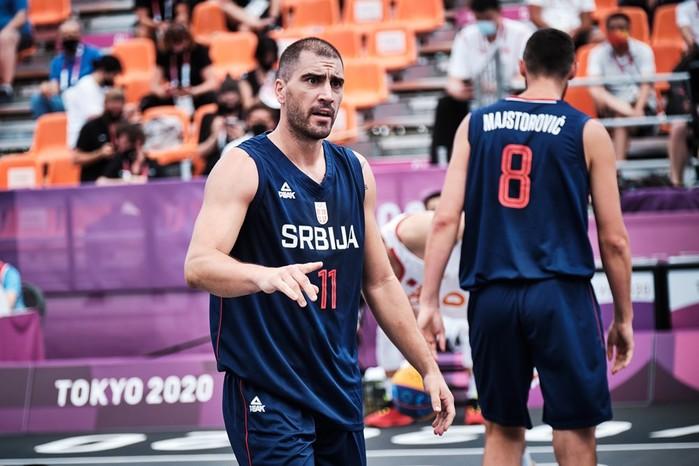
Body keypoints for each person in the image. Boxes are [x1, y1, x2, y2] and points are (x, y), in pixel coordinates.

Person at [184, 37, 455, 465]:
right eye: (312, 80)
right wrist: (263, 276)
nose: (327, 93)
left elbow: (380, 281)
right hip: (269, 386)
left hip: (338, 385)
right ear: (279, 90)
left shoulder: (355, 170)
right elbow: (199, 264)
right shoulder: (244, 165)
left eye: (336, 83)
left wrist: (428, 367)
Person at [418, 29, 634, 466]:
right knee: (575, 428)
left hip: (492, 298)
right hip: (559, 295)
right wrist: (625, 318)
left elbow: (444, 219)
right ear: (573, 69)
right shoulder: (588, 131)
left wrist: (428, 301)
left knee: (501, 429)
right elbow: (613, 240)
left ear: (522, 67)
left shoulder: (475, 124)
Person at [366, 210, 483, 428]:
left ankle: (479, 400)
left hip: (473, 282)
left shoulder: (407, 234)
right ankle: (396, 401)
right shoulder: (367, 279)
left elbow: (468, 223)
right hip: (439, 305)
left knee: (477, 326)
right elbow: (405, 315)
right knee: (387, 324)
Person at [430, 0, 533, 164]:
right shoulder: (466, 36)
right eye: (479, 18)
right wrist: (458, 90)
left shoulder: (521, 33)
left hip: (511, 94)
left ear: (499, 12)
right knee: (446, 105)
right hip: (476, 96)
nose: (484, 23)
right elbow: (454, 79)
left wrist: (500, 87)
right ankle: (445, 160)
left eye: (488, 17)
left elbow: (527, 74)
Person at [587, 12, 656, 160]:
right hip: (611, 106)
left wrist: (638, 108)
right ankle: (618, 167)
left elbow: (646, 84)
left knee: (621, 119)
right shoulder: (597, 53)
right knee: (598, 91)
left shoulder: (643, 50)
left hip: (642, 106)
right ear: (606, 31)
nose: (617, 32)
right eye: (613, 28)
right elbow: (595, 88)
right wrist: (630, 112)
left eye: (622, 28)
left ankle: (618, 168)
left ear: (629, 29)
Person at [30, 19, 102, 118]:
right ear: (60, 38)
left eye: (72, 34)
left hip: (85, 98)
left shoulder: (93, 54)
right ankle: (46, 126)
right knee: (37, 98)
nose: (69, 38)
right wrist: (47, 89)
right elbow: (55, 86)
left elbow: (100, 78)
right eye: (65, 35)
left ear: (80, 35)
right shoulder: (57, 61)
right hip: (64, 99)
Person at [143, 23, 217, 113]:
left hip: (196, 94)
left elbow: (211, 82)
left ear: (188, 40)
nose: (177, 46)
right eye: (174, 42)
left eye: (180, 41)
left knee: (213, 97)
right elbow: (154, 85)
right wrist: (163, 92)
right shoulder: (163, 53)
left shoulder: (199, 50)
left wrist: (194, 91)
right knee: (148, 101)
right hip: (172, 95)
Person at [63, 55, 123, 148]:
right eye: (113, 75)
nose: (114, 79)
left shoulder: (104, 88)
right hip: (82, 138)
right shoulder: (85, 86)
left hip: (99, 133)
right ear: (103, 71)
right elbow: (92, 115)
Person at [73, 89, 127, 183]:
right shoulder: (91, 127)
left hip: (120, 182)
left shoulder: (127, 127)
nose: (116, 106)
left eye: (119, 102)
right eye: (113, 102)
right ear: (105, 104)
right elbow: (76, 158)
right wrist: (100, 154)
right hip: (92, 182)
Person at [197, 76, 245, 175]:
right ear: (219, 96)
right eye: (226, 93)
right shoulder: (209, 118)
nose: (230, 97)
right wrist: (215, 136)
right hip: (213, 169)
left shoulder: (247, 118)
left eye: (233, 92)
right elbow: (200, 152)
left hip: (240, 170)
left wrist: (242, 139)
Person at [97, 122, 165, 184]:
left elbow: (165, 183)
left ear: (137, 141)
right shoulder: (119, 160)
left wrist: (139, 165)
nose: (117, 142)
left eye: (121, 138)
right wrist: (127, 181)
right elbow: (101, 181)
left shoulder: (151, 163)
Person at [0, 0, 32, 103]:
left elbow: (21, 16)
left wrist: (6, 30)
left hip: (16, 30)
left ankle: (5, 88)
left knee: (5, 38)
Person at [527, 0, 594, 48]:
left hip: (576, 35)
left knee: (595, 37)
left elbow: (587, 22)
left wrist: (575, 32)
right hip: (545, 32)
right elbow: (535, 16)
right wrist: (554, 33)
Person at [239, 34, 280, 110]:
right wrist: (264, 94)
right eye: (266, 54)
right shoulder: (247, 77)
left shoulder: (281, 75)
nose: (269, 57)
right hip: (256, 111)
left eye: (272, 54)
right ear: (259, 54)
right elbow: (247, 104)